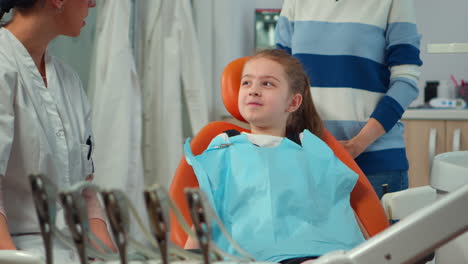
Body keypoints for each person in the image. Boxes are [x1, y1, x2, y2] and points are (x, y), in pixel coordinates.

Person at [183, 49, 368, 263]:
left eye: (267, 84)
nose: (254, 91)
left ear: (293, 103)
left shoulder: (313, 150)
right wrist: (188, 258)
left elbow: (340, 208)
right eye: (246, 83)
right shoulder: (224, 148)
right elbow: (204, 216)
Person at [0, 0, 115, 261]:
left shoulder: (69, 82)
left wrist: (111, 259)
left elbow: (87, 196)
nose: (93, 4)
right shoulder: (3, 68)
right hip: (18, 253)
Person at [275, 0, 423, 199]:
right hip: (307, 161)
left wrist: (357, 144)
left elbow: (406, 82)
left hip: (375, 166)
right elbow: (280, 76)